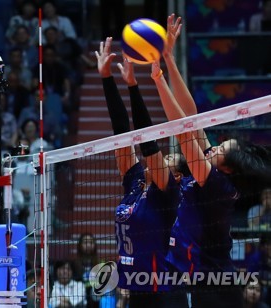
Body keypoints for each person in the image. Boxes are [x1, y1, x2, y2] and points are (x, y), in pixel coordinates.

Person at [154, 13, 271, 308]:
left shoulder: (216, 183)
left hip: (213, 286)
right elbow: (192, 119)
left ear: (227, 168)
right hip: (194, 278)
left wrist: (157, 80)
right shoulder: (213, 166)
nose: (214, 149)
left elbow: (182, 132)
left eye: (220, 151)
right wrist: (169, 58)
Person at [95, 37, 188, 307]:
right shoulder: (136, 183)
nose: (162, 158)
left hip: (165, 293)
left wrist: (135, 86)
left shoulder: (168, 192)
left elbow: (148, 143)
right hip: (136, 291)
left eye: (169, 157)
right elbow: (122, 135)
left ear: (178, 176)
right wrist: (107, 79)